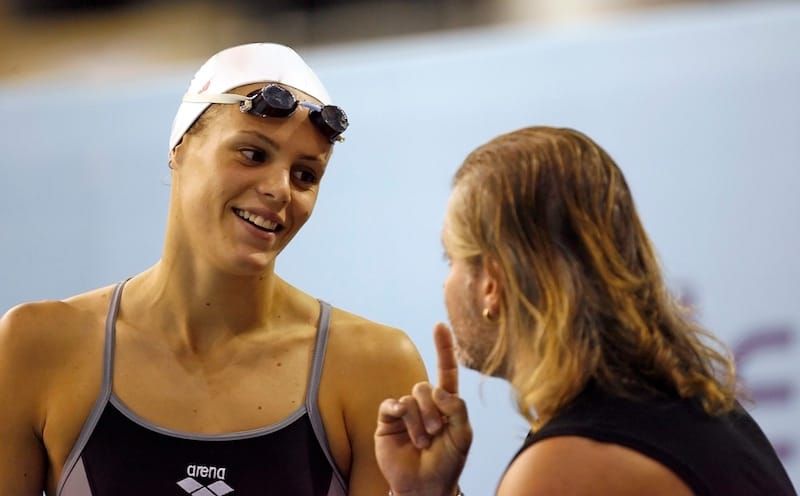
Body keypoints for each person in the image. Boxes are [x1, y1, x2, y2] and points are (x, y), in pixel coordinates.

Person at [0, 43, 427, 496]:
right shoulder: (39, 350)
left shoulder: (372, 368)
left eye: (305, 175)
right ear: (180, 150)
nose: (280, 190)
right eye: (253, 154)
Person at [374, 126, 797, 495]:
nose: (446, 282)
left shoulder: (566, 468)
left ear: (491, 284)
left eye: (451, 259)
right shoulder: (703, 414)